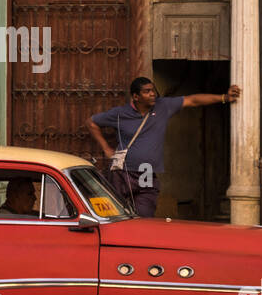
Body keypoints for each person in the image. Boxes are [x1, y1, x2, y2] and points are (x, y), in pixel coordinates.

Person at [86, 76, 241, 218]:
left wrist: (224, 97)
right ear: (135, 97)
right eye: (147, 92)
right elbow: (92, 123)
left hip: (146, 172)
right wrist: (106, 148)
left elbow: (192, 100)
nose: (153, 94)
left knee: (145, 214)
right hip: (122, 173)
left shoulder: (163, 106)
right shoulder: (120, 113)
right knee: (116, 215)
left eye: (153, 90)